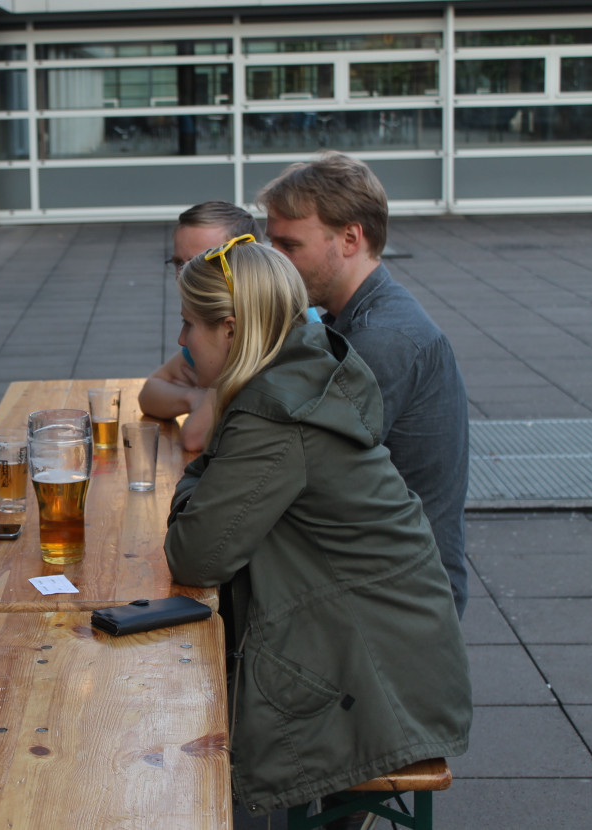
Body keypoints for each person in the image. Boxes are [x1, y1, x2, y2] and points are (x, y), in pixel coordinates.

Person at [163, 236, 471, 816]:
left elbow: (195, 553)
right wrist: (208, 479)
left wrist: (194, 483)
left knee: (179, 742)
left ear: (230, 329)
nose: (181, 340)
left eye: (187, 324)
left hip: (378, 677)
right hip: (399, 644)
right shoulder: (298, 369)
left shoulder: (276, 414)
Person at [258, 152, 470, 617]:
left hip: (398, 600)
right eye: (271, 243)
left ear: (351, 238)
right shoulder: (351, 319)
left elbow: (290, 471)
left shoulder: (382, 341)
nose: (275, 260)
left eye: (290, 246)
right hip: (378, 577)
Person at [138, 201, 262, 451]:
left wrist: (211, 393)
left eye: (199, 262)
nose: (181, 277)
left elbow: (194, 437)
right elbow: (150, 393)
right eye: (177, 263)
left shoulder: (258, 328)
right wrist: (195, 397)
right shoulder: (211, 326)